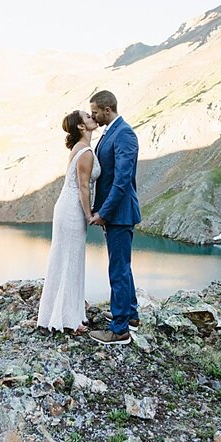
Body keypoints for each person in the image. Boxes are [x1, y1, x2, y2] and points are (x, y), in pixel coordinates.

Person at [37, 111, 99, 332]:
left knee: (67, 258)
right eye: (88, 117)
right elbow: (83, 186)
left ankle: (67, 314)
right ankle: (69, 320)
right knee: (70, 259)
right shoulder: (85, 152)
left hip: (67, 207)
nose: (93, 117)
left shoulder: (80, 148)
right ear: (81, 127)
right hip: (72, 209)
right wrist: (89, 214)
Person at [88, 90, 141, 344]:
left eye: (95, 112)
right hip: (116, 215)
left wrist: (103, 213)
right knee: (123, 266)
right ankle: (130, 314)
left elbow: (121, 181)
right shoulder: (112, 131)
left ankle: (119, 329)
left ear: (107, 109)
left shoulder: (125, 134)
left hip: (119, 214)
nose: (93, 116)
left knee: (118, 270)